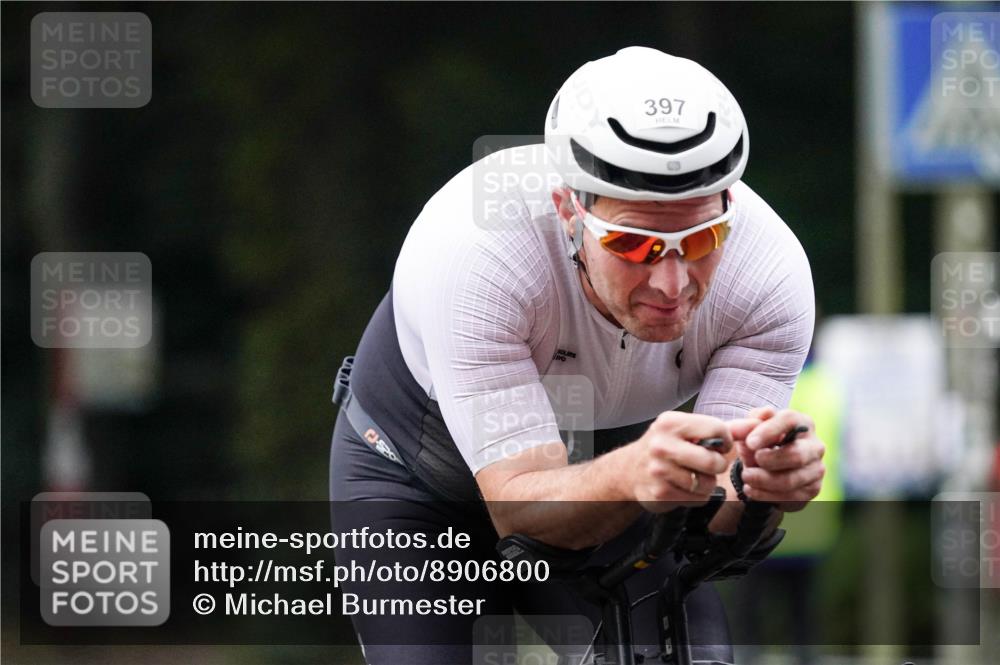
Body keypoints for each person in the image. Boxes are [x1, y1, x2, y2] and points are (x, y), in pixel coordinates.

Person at [329, 46, 826, 665]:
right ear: (569, 209)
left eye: (701, 239)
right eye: (633, 245)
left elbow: (712, 520)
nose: (673, 285)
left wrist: (759, 487)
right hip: (421, 481)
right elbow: (521, 510)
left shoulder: (769, 274)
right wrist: (632, 471)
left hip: (618, 483)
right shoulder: (479, 249)